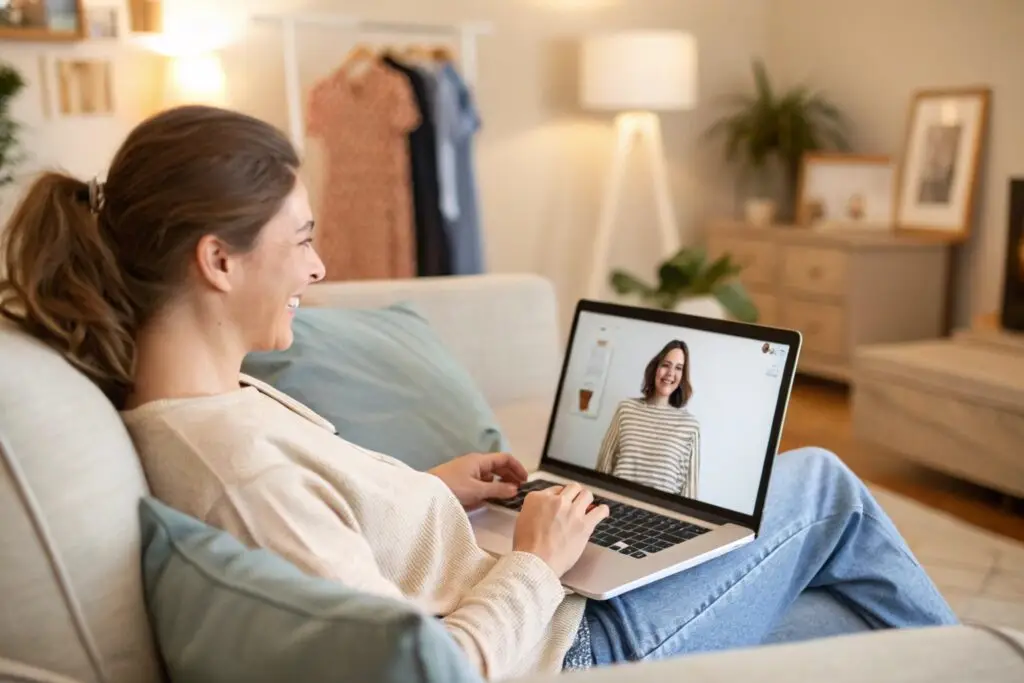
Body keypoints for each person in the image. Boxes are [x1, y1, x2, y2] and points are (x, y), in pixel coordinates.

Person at [0, 106, 958, 682]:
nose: (320, 266)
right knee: (824, 487)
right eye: (300, 239)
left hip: (529, 598)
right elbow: (434, 667)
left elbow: (333, 536)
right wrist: (538, 563)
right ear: (216, 259)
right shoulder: (231, 465)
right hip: (560, 646)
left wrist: (435, 489)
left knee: (834, 610)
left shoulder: (206, 410)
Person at [595, 340, 701, 498]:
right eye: (666, 365)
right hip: (615, 505)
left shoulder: (690, 426)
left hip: (659, 517)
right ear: (656, 368)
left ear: (682, 377)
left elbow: (689, 491)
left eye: (678, 368)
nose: (671, 373)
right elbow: (604, 465)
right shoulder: (626, 409)